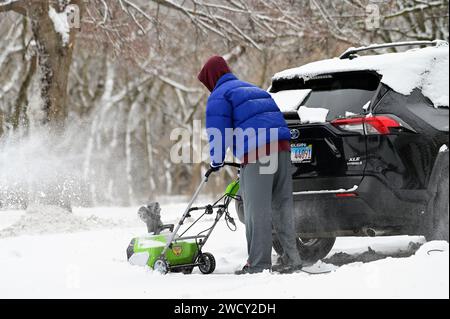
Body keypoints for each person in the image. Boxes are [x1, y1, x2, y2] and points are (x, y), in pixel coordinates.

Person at [197, 56, 302, 274]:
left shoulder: (220, 94)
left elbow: (218, 131)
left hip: (258, 154)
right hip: (282, 149)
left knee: (257, 210)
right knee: (282, 206)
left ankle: (259, 264)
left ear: (211, 77)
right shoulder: (253, 89)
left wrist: (216, 160)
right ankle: (292, 258)